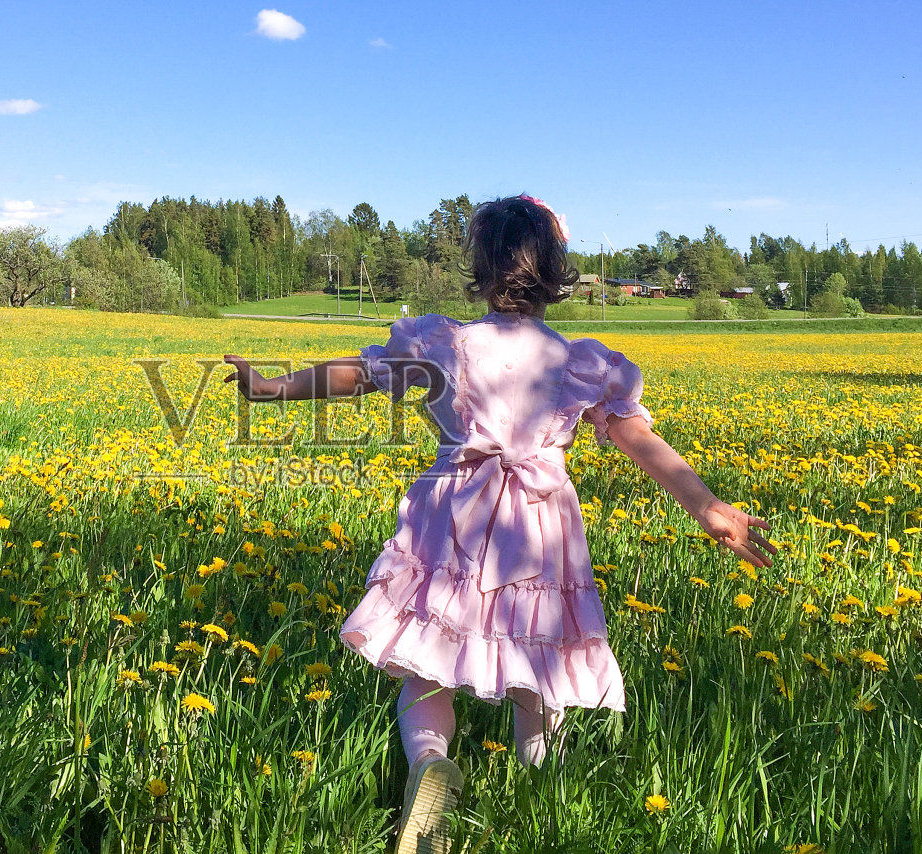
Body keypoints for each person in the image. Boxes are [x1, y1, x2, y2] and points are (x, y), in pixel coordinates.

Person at [221, 194, 776, 854]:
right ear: (556, 274)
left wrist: (273, 388)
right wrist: (709, 506)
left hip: (450, 516)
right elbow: (639, 442)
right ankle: (542, 796)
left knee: (425, 665)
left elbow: (358, 375)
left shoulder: (446, 344)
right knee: (538, 675)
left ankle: (429, 764)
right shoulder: (580, 361)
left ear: (481, 270)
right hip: (538, 532)